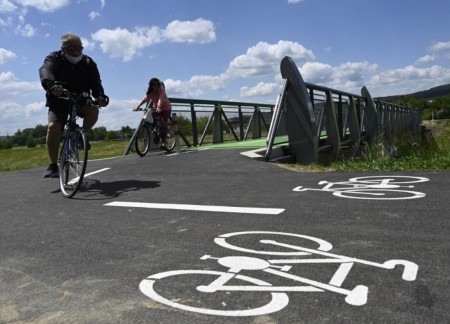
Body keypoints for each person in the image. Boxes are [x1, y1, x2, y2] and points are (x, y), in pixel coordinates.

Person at [39, 33, 108, 178]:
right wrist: (52, 85)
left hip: (80, 98)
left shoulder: (88, 62)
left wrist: (100, 96)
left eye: (80, 48)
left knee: (94, 111)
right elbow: (46, 71)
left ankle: (80, 136)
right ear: (63, 48)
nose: (77, 51)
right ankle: (53, 165)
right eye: (72, 48)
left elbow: (96, 82)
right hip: (59, 98)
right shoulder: (54, 58)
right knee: (53, 127)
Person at [134, 77, 172, 146]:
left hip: (165, 108)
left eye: (157, 84)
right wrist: (138, 106)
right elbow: (145, 99)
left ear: (159, 85)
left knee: (163, 122)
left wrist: (159, 107)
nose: (155, 86)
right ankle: (156, 131)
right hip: (156, 108)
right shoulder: (150, 92)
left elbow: (161, 98)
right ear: (151, 85)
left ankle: (164, 139)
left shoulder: (161, 90)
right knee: (150, 119)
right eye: (153, 85)